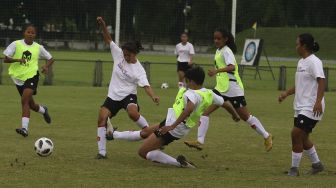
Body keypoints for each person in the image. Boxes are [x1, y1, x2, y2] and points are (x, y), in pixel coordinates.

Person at [184, 28, 273, 151]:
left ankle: (267, 136)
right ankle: (199, 141)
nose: (216, 40)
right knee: (204, 112)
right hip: (221, 88)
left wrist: (216, 71)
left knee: (246, 117)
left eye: (219, 38)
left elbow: (232, 67)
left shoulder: (227, 51)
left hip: (233, 88)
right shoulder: (218, 51)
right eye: (215, 38)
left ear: (225, 39)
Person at [95, 17, 159, 159]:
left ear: (134, 54)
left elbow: (146, 86)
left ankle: (149, 132)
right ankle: (102, 152)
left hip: (128, 95)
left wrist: (153, 96)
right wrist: (104, 26)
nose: (125, 57)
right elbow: (108, 39)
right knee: (101, 119)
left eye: (128, 55)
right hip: (113, 96)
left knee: (132, 113)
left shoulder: (139, 69)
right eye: (124, 54)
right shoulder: (118, 54)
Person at [137, 66, 226, 168]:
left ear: (192, 81)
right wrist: (234, 114)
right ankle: (117, 135)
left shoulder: (191, 93)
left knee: (142, 152)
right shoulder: (209, 93)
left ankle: (179, 163)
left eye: (187, 81)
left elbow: (189, 109)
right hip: (181, 128)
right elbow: (222, 102)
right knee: (148, 133)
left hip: (172, 127)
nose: (186, 84)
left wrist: (172, 126)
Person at [279, 33, 325, 176]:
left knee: (295, 133)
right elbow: (300, 84)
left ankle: (294, 169)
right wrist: (286, 93)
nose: (296, 46)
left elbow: (322, 81)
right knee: (303, 138)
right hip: (300, 106)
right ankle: (317, 165)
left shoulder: (314, 61)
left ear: (304, 45)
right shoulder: (301, 62)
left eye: (297, 44)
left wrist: (318, 102)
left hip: (311, 106)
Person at [2, 24, 53, 137]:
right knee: (31, 105)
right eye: (28, 32)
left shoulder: (38, 47)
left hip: (32, 76)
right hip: (18, 78)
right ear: (24, 33)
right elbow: (5, 59)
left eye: (32, 33)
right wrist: (17, 60)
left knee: (24, 100)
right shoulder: (16, 44)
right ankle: (43, 110)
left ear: (35, 35)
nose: (30, 34)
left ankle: (24, 129)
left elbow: (50, 58)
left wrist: (46, 66)